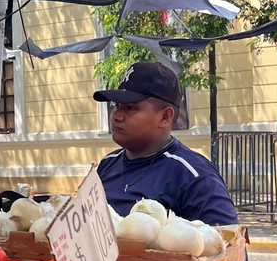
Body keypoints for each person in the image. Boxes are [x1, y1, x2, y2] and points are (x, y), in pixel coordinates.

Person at [93, 61, 238, 224]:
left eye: (130, 108)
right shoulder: (107, 164)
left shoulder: (194, 176)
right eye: (116, 105)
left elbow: (228, 243)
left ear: (165, 117)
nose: (116, 116)